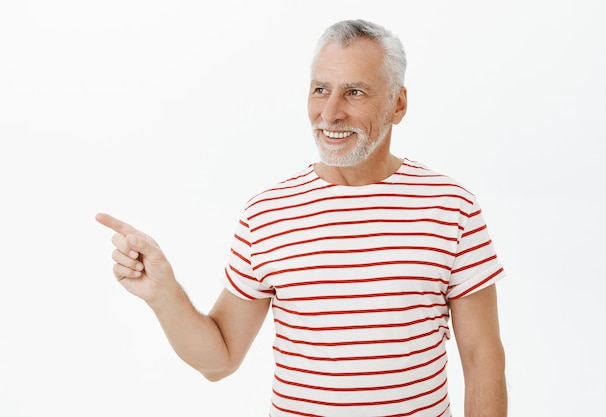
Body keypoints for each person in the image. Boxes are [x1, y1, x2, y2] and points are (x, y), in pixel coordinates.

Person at [96, 19, 507, 417]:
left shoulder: (450, 206)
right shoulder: (267, 213)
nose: (330, 113)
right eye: (320, 89)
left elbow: (481, 356)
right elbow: (218, 361)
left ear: (398, 103)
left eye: (355, 92)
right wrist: (163, 294)